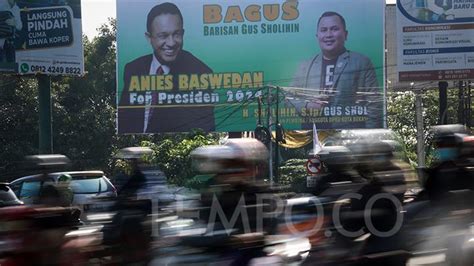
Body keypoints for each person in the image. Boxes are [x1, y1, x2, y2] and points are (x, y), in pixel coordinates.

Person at [118, 2, 214, 134]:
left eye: (177, 34)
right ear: (149, 38)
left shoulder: (201, 73)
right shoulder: (133, 69)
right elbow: (125, 120)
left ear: (183, 33)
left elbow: (202, 128)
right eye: (163, 36)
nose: (171, 43)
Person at [291, 11, 382, 129]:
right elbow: (289, 98)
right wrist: (307, 106)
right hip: (313, 139)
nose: (328, 34)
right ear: (317, 35)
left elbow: (374, 105)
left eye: (334, 29)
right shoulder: (306, 66)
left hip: (349, 140)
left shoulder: (361, 63)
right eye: (323, 30)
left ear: (345, 34)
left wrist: (368, 140)